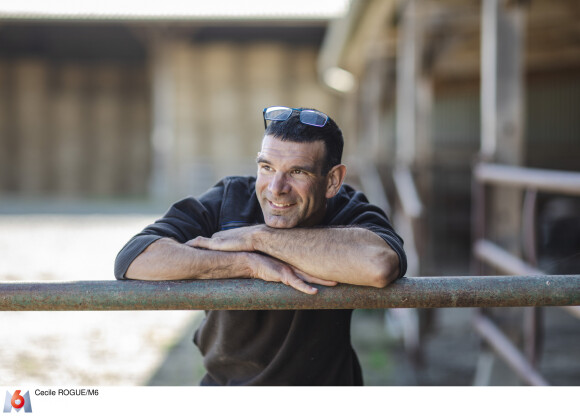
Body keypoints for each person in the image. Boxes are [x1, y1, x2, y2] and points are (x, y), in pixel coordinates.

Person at [114, 106, 407, 385]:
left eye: (297, 172)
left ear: (332, 181)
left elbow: (377, 265)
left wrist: (257, 238)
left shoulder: (350, 213)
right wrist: (248, 263)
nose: (276, 188)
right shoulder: (229, 199)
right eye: (267, 167)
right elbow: (135, 258)